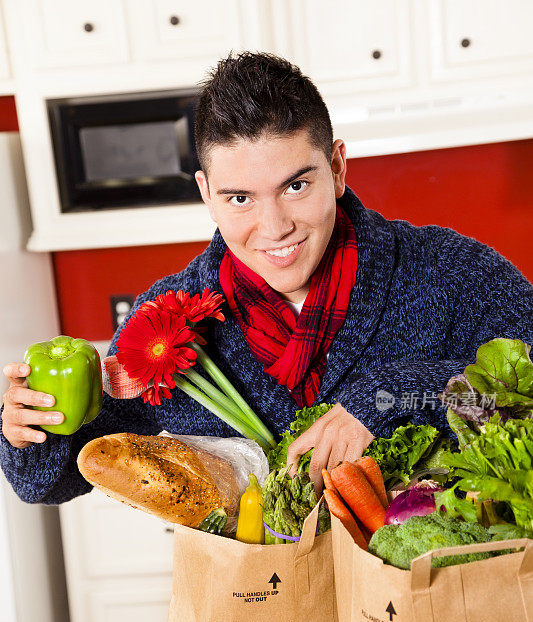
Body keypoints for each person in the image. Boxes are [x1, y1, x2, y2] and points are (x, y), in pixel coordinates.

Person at [1, 52, 532, 505]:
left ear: (338, 167)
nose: (275, 228)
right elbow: (55, 477)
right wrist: (25, 429)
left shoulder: (453, 272)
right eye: (239, 199)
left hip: (428, 611)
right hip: (265, 611)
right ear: (207, 193)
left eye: (296, 186)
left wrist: (392, 396)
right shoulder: (163, 326)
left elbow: (524, 397)